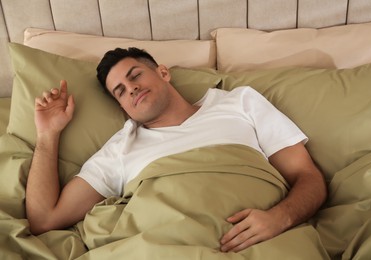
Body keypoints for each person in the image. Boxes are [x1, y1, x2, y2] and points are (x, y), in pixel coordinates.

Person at [26, 47, 327, 253]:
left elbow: (307, 176)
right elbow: (44, 219)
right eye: (120, 91)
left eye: (135, 76)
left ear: (163, 73)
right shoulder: (120, 148)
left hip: (262, 244)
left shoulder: (239, 102)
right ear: (122, 107)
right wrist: (48, 134)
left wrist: (281, 217)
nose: (130, 88)